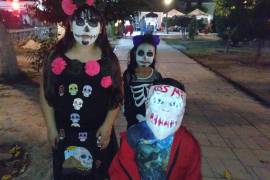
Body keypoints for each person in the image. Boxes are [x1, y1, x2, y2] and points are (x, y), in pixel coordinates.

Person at [40, 0, 122, 179]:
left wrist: (108, 126)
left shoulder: (109, 59)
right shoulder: (56, 56)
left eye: (93, 23)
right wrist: (51, 127)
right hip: (65, 133)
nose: (86, 28)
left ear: (101, 27)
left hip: (98, 132)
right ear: (70, 24)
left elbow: (116, 95)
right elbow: (46, 94)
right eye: (80, 22)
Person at [109, 78, 202, 180]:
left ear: (182, 111)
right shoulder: (132, 137)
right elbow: (118, 172)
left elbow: (193, 175)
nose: (165, 108)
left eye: (174, 104)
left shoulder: (188, 145)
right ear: (147, 104)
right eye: (158, 101)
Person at [123, 34, 162, 128]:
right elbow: (125, 94)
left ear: (154, 56)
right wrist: (125, 110)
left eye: (149, 54)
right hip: (133, 119)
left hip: (152, 119)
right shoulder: (129, 74)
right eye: (141, 53)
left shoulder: (157, 76)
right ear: (134, 53)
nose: (145, 57)